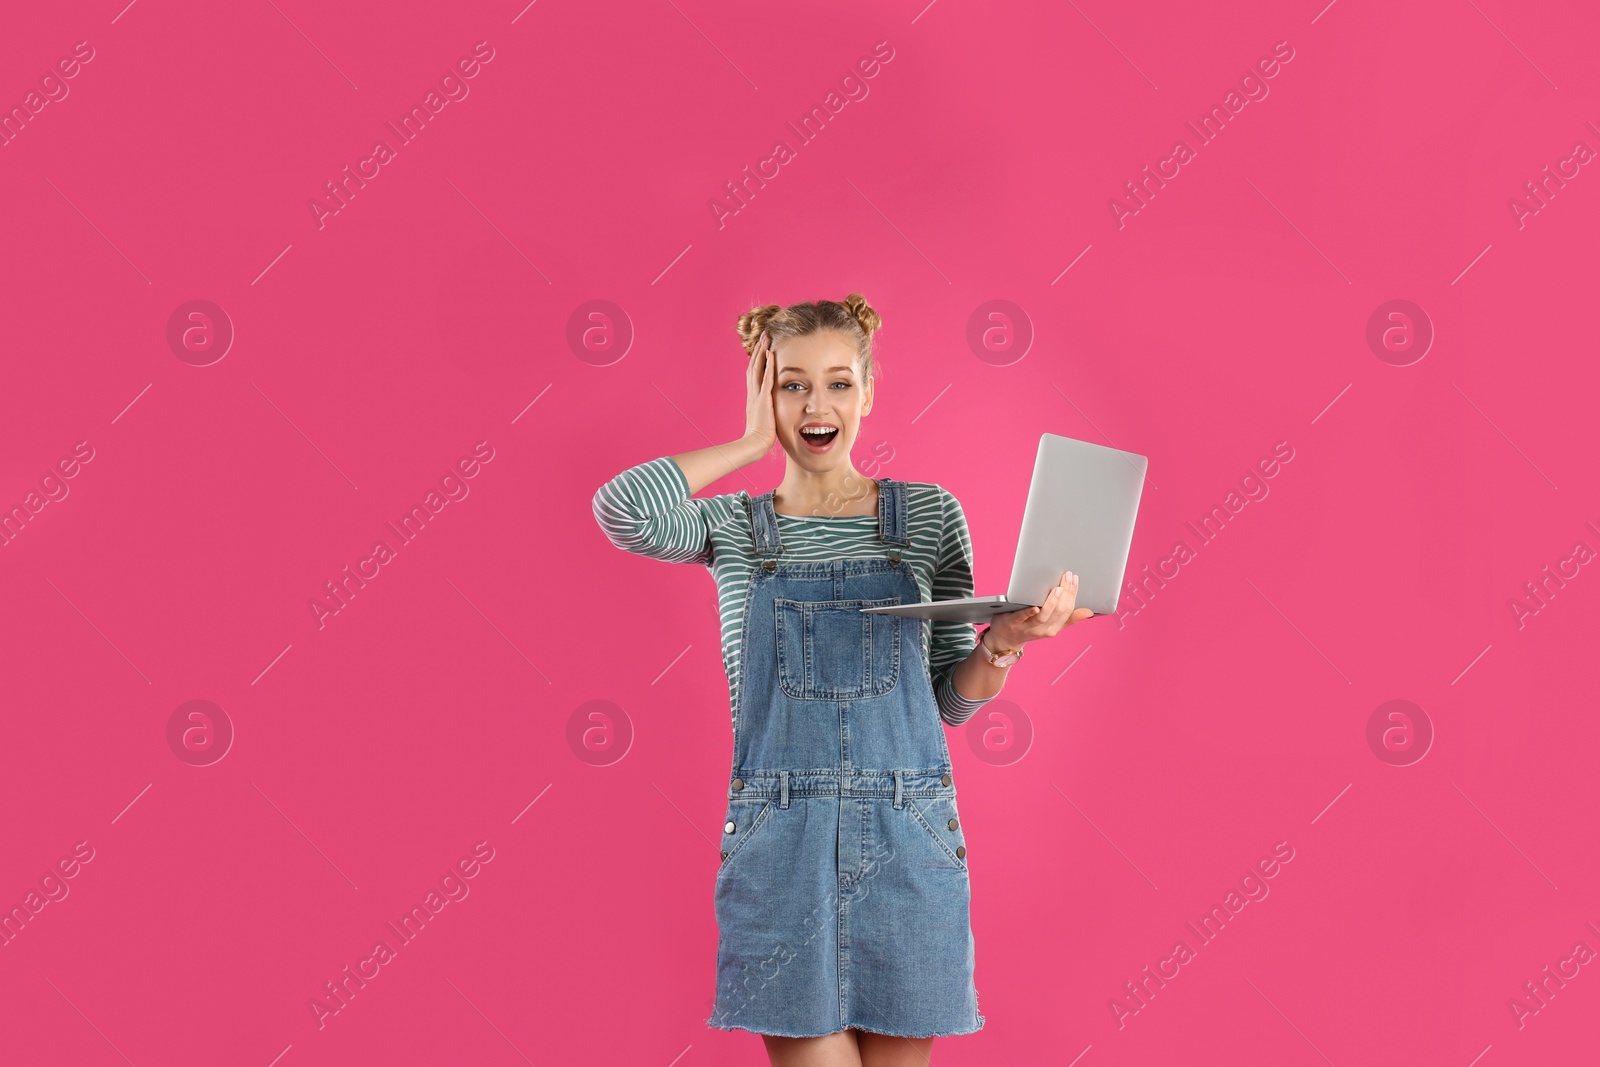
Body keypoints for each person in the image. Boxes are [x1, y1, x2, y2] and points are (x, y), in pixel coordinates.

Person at [591, 294, 1091, 1067]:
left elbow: (946, 706)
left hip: (908, 832)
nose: (817, 406)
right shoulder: (731, 527)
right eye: (792, 384)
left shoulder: (927, 515)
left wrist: (1005, 643)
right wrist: (750, 440)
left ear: (868, 392)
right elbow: (622, 507)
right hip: (781, 840)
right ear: (763, 389)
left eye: (838, 383)